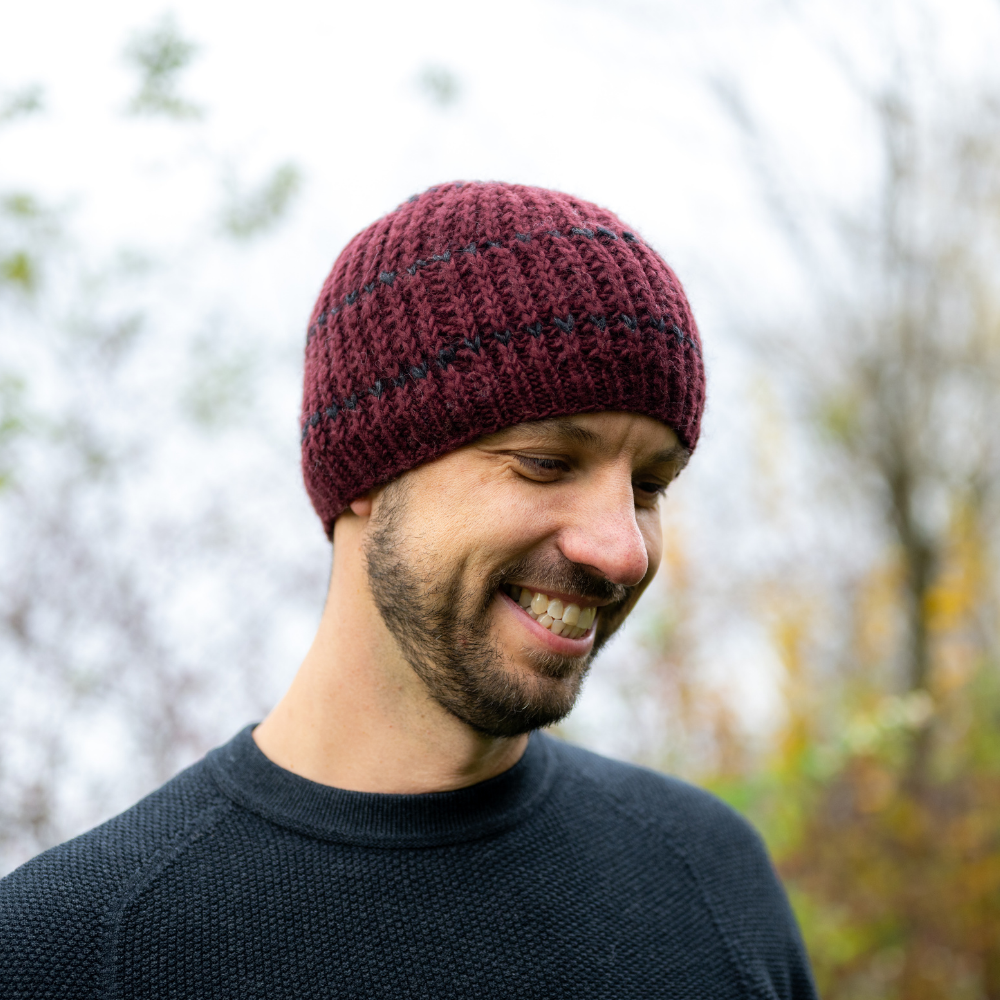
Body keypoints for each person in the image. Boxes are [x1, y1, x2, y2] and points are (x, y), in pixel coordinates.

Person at [0, 181, 817, 998]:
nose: (622, 552)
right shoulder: (71, 952)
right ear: (367, 473)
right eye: (545, 463)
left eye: (649, 486)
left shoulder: (712, 880)